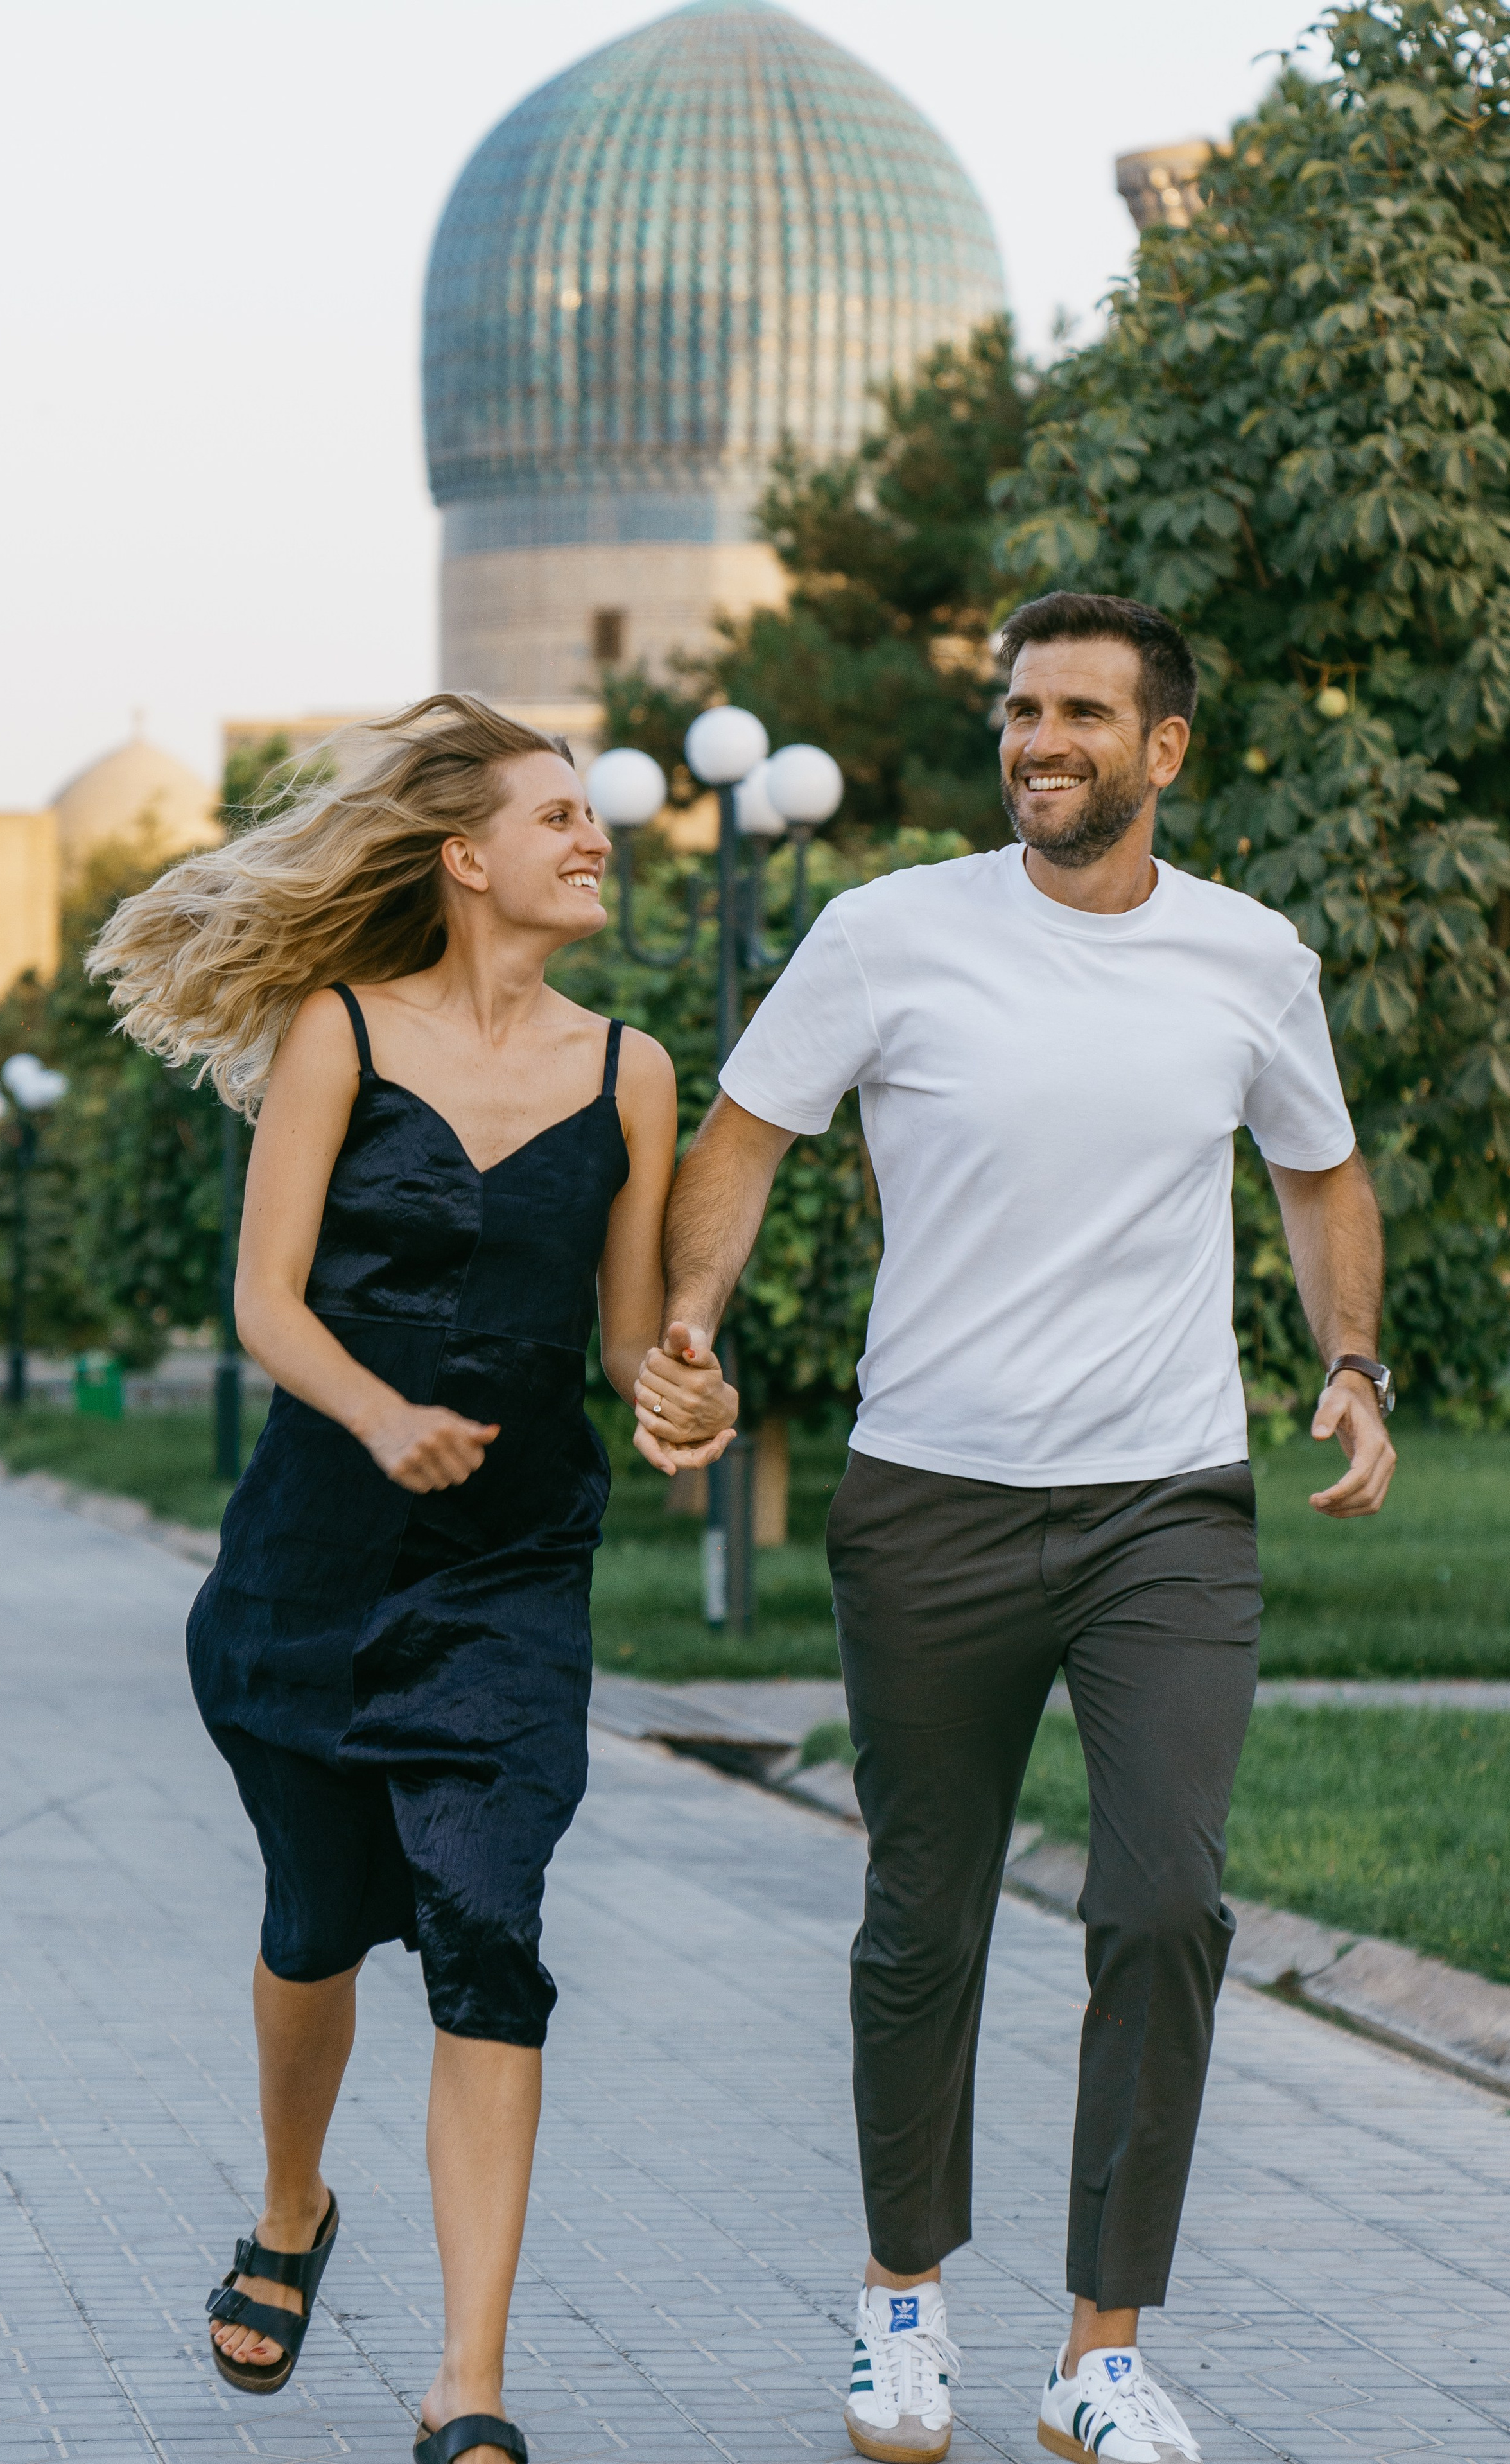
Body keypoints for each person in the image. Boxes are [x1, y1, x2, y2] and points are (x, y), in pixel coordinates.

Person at [639, 595, 1396, 2464]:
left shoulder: (1251, 957)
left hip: (1167, 1506)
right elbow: (742, 1135)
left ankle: (1099, 2355)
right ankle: (903, 2305)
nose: (1038, 740)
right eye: (1019, 708)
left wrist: (1353, 1362)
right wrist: (689, 1328)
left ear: (1165, 748)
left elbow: (1320, 1174)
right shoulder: (886, 933)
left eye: (1080, 713)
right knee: (925, 1919)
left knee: (1165, 1904)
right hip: (931, 1499)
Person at [91, 695, 736, 2464]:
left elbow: (628, 1341)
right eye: (557, 817)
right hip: (315, 1557)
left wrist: (685, 1394)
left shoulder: (630, 1073)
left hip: (508, 1569)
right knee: (316, 1926)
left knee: (489, 1929)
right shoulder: (343, 1031)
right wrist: (380, 1417)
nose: (593, 839)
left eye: (592, 817)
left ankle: (470, 2383)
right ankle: (292, 2204)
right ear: (463, 857)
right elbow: (265, 1299)